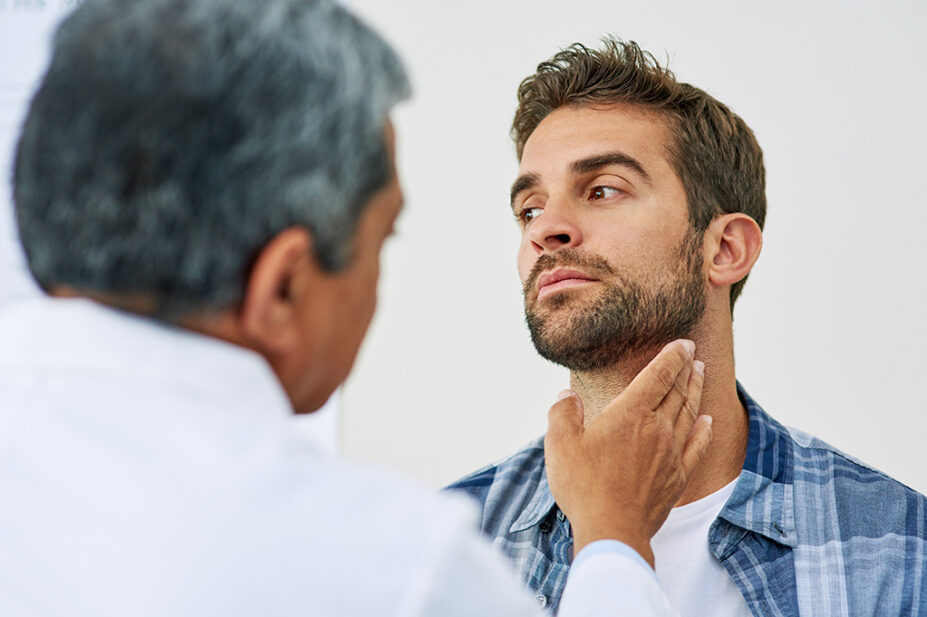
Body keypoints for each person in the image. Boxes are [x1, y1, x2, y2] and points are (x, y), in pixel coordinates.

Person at [0, 2, 714, 616]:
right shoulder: (395, 565)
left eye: (602, 189)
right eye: (384, 236)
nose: (543, 230)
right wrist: (615, 541)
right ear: (281, 288)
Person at [446, 37, 927, 616]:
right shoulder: (444, 554)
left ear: (724, 248)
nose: (545, 229)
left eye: (602, 190)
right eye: (529, 208)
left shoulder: (901, 552)